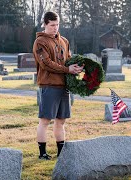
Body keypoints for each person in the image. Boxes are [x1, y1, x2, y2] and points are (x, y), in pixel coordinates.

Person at [33, 11, 83, 160]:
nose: (55, 28)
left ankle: (61, 153)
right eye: (52, 25)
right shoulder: (40, 42)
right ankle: (42, 153)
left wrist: (76, 67)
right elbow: (46, 63)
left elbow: (68, 60)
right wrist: (67, 69)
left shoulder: (64, 41)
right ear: (45, 24)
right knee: (45, 120)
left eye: (57, 25)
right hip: (49, 85)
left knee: (61, 120)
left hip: (64, 86)